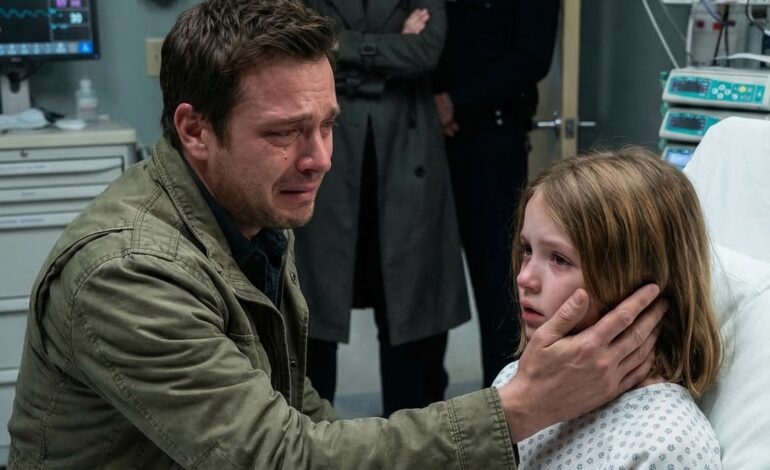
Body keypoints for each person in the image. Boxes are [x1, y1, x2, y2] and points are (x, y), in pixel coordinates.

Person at [8, 1, 664, 468]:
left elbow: (302, 417)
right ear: (195, 130)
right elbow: (282, 457)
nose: (320, 158)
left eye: (327, 125)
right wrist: (516, 409)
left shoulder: (255, 223)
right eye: (284, 132)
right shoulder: (129, 274)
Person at [493, 148, 723, 468]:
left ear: (636, 279)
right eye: (527, 249)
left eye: (559, 259)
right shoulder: (515, 384)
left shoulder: (665, 444)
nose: (524, 277)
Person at [296, 0, 469, 415]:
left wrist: (347, 51)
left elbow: (425, 52)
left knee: (410, 316)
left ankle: (413, 439)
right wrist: (391, 52)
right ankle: (307, 437)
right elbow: (304, 52)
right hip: (329, 156)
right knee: (311, 315)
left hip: (406, 160)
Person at [434, 0, 561, 387]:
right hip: (426, 136)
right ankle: (419, 410)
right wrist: (433, 106)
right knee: (424, 290)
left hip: (493, 141)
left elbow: (532, 58)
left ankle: (505, 402)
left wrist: (455, 102)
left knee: (501, 288)